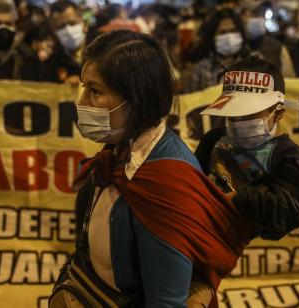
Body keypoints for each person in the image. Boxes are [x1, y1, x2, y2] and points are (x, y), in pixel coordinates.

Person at [50, 30, 256, 307]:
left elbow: (166, 301)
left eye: (95, 91)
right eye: (83, 88)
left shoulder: (167, 184)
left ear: (136, 99)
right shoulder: (119, 151)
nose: (82, 103)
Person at [195, 56, 299, 241]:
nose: (238, 122)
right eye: (233, 113)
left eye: (248, 115)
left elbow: (287, 209)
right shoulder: (213, 139)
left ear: (278, 114)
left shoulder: (287, 155)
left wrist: (237, 199)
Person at [180, 8, 250, 93]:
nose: (229, 37)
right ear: (212, 37)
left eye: (233, 31)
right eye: (223, 32)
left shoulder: (253, 64)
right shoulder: (200, 71)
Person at [241, 1, 296, 77]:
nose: (257, 18)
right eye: (252, 14)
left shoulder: (278, 49)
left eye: (260, 14)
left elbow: (289, 82)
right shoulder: (234, 50)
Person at [41, 0, 84, 84]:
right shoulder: (52, 63)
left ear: (82, 22)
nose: (68, 30)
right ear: (54, 30)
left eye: (72, 23)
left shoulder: (101, 52)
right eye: (61, 26)